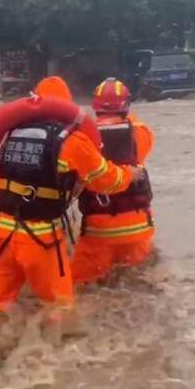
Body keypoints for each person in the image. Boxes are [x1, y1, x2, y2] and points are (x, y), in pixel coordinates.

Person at [0, 76, 140, 331]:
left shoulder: (9, 134)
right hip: (41, 239)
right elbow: (105, 180)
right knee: (60, 309)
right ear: (65, 105)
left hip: (2, 232)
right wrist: (130, 174)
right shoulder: (71, 140)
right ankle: (51, 364)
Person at [72, 78, 155, 284]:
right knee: (136, 284)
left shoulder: (83, 138)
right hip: (139, 228)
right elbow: (137, 124)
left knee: (80, 288)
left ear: (95, 106)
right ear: (126, 106)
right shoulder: (140, 132)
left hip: (99, 230)